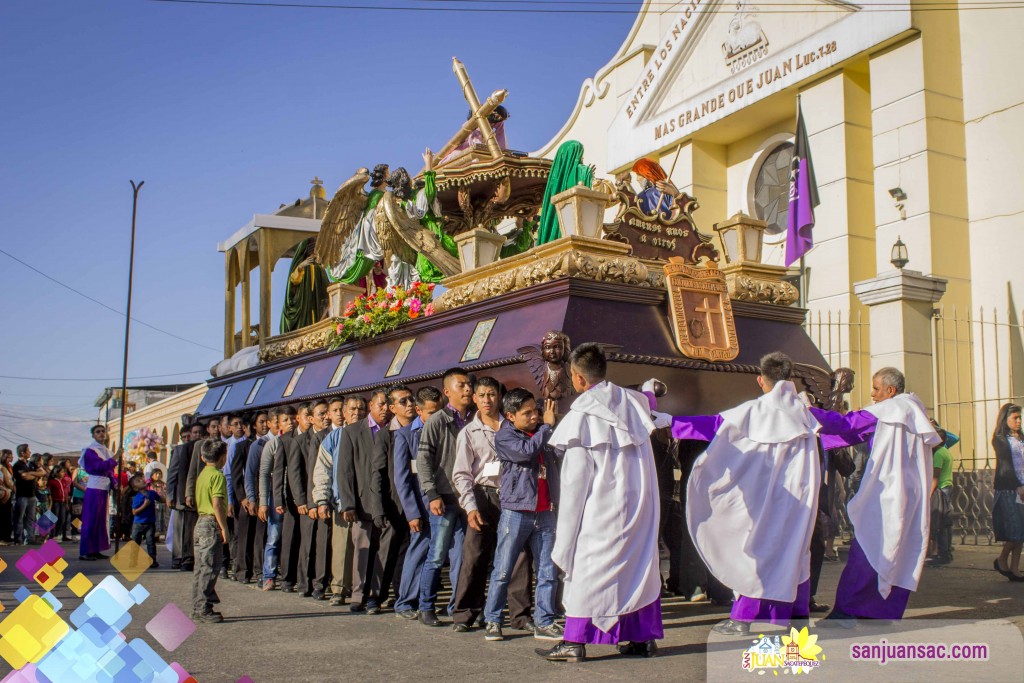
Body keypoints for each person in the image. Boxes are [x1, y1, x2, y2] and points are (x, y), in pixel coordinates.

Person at [673, 352, 821, 636]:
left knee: (757, 550)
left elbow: (713, 426)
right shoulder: (805, 413)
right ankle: (794, 615)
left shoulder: (754, 411)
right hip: (799, 500)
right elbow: (840, 430)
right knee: (794, 551)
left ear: (761, 380)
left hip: (767, 500)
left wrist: (670, 420)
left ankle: (743, 618)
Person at [539, 343, 664, 662]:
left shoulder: (581, 417)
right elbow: (649, 399)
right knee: (638, 570)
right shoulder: (634, 404)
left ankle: (574, 641)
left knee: (586, 572)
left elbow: (574, 484)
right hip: (639, 507)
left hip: (600, 511)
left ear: (577, 378)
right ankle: (641, 638)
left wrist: (564, 538)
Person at [812, 367, 942, 622]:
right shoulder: (914, 411)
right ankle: (881, 612)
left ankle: (846, 612)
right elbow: (856, 433)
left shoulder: (891, 410)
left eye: (875, 388)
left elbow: (846, 424)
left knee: (869, 550)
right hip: (910, 495)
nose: (872, 394)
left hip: (886, 494)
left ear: (890, 391)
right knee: (899, 552)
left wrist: (806, 413)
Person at [451, 377, 534, 633]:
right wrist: (470, 507)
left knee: (520, 555)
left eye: (492, 394)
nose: (487, 400)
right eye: (482, 395)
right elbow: (461, 474)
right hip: (484, 496)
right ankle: (465, 613)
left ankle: (520, 615)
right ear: (474, 398)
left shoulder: (514, 425)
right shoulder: (469, 432)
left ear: (499, 397)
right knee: (475, 554)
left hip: (515, 495)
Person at [483, 388, 560, 643]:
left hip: (545, 510)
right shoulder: (505, 435)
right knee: (503, 570)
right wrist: (546, 428)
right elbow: (526, 452)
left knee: (547, 570)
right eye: (526, 413)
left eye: (536, 411)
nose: (534, 417)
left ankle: (544, 621)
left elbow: (559, 455)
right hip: (517, 510)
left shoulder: (542, 432)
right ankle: (493, 620)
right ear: (510, 415)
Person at [417, 368, 475, 626]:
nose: (467, 390)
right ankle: (425, 606)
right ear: (447, 391)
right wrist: (431, 493)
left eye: (468, 385)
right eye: (461, 385)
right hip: (443, 497)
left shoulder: (475, 418)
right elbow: (424, 460)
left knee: (463, 556)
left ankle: (457, 607)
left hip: (468, 498)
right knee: (437, 554)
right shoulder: (437, 421)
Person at [392, 386, 444, 619]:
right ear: (420, 411)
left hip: (444, 503)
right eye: (431, 413)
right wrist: (412, 512)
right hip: (421, 508)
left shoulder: (445, 429)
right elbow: (402, 479)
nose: (436, 417)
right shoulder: (405, 435)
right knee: (418, 553)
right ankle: (405, 602)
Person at [337, 390, 391, 613]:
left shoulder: (393, 430)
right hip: (363, 501)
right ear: (372, 405)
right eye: (381, 404)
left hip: (388, 500)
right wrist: (348, 503)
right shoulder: (352, 432)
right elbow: (345, 470)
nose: (385, 408)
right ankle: (358, 595)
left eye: (388, 404)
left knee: (383, 551)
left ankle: (376, 596)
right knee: (363, 547)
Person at [314, 395, 366, 606]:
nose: (357, 412)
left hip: (366, 501)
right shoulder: (334, 438)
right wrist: (321, 499)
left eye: (361, 409)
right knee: (343, 548)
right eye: (352, 409)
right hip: (340, 501)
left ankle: (362, 589)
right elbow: (322, 470)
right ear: (344, 412)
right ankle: (339, 589)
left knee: (364, 548)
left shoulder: (371, 434)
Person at [369, 385, 418, 610]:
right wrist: (378, 507)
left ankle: (404, 595)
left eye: (411, 400)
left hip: (418, 502)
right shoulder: (385, 435)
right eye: (403, 401)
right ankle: (375, 596)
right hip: (394, 503)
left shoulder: (422, 429)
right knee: (388, 551)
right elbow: (378, 473)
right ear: (392, 407)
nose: (409, 405)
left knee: (410, 552)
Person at [192, 440, 230, 623]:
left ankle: (197, 605)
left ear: (202, 457)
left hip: (200, 522)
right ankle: (204, 607)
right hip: (211, 523)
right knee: (210, 567)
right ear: (223, 457)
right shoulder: (218, 476)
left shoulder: (202, 474)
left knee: (200, 568)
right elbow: (217, 504)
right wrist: (224, 527)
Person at [259, 407, 295, 591]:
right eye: (285, 420)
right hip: (275, 497)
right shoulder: (272, 445)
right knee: (274, 537)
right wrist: (263, 502)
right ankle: (269, 576)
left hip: (294, 496)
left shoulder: (297, 440)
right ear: (277, 424)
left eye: (291, 419)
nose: (290, 423)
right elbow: (264, 474)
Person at [535, 140, 594, 245]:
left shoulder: (554, 181)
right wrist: (587, 174)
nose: (582, 159)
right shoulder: (581, 171)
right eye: (580, 155)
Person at [992, 403, 1024, 581]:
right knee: (1016, 530)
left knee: (1022, 531)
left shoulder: (1021, 438)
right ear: (1006, 419)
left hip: (1023, 486)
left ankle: (1015, 568)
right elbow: (1006, 465)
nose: (1018, 421)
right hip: (1010, 489)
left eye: (1019, 418)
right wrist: (1018, 485)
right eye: (1015, 418)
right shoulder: (1000, 438)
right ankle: (1002, 559)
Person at [79, 427, 118, 560]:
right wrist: (116, 457)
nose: (101, 433)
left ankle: (95, 548)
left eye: (103, 431)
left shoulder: (106, 451)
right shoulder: (91, 451)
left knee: (101, 520)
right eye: (98, 432)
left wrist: (115, 482)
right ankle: (85, 550)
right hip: (95, 488)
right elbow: (100, 466)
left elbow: (110, 471)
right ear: (93, 436)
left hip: (103, 488)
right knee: (91, 519)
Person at [168, 422, 202, 570]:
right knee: (180, 529)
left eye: (193, 434)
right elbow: (173, 474)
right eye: (187, 436)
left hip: (196, 496)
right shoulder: (180, 450)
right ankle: (178, 557)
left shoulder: (202, 447)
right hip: (180, 495)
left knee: (189, 528)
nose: (191, 437)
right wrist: (170, 495)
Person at [280, 236, 329, 333]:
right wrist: (301, 267)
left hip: (316, 305)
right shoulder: (300, 266)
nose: (314, 255)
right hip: (302, 305)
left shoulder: (319, 268)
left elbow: (326, 287)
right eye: (312, 251)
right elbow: (292, 284)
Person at [927, 420, 955, 567]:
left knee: (939, 522)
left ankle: (943, 553)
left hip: (941, 489)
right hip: (948, 486)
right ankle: (947, 551)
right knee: (945, 522)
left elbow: (935, 477)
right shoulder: (945, 451)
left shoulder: (938, 454)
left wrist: (928, 495)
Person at [13, 444, 46, 546]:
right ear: (22, 453)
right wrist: (34, 474)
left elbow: (42, 473)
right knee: (19, 518)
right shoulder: (17, 465)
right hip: (22, 496)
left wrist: (31, 474)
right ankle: (18, 539)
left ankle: (30, 538)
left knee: (31, 518)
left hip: (32, 495)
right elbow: (24, 477)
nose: (30, 452)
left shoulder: (30, 464)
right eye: (28, 451)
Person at [130, 473, 161, 568]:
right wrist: (144, 505)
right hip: (138, 524)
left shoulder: (152, 493)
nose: (142, 480)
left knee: (151, 543)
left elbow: (161, 499)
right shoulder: (137, 497)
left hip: (150, 523)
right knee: (135, 543)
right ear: (135, 488)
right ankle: (133, 561)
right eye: (138, 481)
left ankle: (152, 560)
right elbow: (134, 512)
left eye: (141, 479)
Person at [47, 463, 69, 542]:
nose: (63, 474)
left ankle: (57, 534)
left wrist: (66, 503)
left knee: (62, 519)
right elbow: (48, 492)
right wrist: (50, 502)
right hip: (55, 502)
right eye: (62, 472)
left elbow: (65, 492)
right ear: (56, 473)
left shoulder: (63, 481)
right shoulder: (52, 481)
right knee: (54, 519)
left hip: (62, 502)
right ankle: (52, 535)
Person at [0, 450, 15, 544]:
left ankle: (6, 536)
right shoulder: (2, 468)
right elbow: (7, 482)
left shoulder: (9, 467)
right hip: (3, 495)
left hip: (9, 494)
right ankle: (2, 537)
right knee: (3, 516)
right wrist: (14, 488)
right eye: (9, 457)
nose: (12, 458)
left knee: (7, 516)